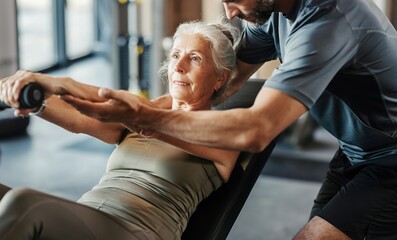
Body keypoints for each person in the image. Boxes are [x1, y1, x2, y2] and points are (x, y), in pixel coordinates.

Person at [57, 0, 397, 239]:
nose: (229, 11)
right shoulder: (273, 13)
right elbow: (224, 80)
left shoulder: (327, 24)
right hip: (356, 151)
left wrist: (143, 118)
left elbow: (256, 129)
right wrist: (171, 98)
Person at [0, 21, 240, 240]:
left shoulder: (223, 134)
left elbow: (141, 120)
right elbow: (76, 118)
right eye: (176, 55)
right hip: (86, 218)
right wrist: (25, 95)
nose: (178, 66)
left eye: (195, 58)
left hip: (140, 231)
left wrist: (62, 84)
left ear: (220, 77)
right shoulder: (140, 113)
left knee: (24, 203)